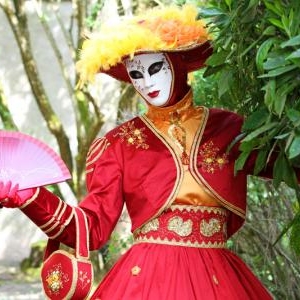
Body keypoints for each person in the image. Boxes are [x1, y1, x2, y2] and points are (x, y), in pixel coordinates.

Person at [0, 4, 275, 299]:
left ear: (177, 63)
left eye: (155, 67)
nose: (146, 82)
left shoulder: (229, 129)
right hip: (146, 281)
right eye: (136, 73)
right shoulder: (119, 144)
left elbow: (287, 163)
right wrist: (32, 199)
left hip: (217, 277)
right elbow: (91, 229)